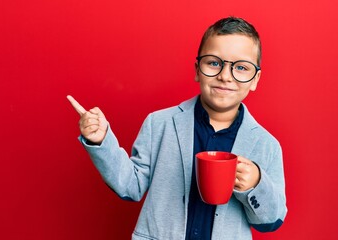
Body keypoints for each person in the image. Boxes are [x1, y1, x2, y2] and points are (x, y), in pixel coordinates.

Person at [67, 16, 287, 240]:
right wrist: (101, 141)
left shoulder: (266, 145)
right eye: (213, 63)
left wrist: (255, 184)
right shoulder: (159, 124)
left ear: (255, 79)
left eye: (241, 67)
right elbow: (130, 186)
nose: (224, 76)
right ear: (197, 69)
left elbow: (271, 221)